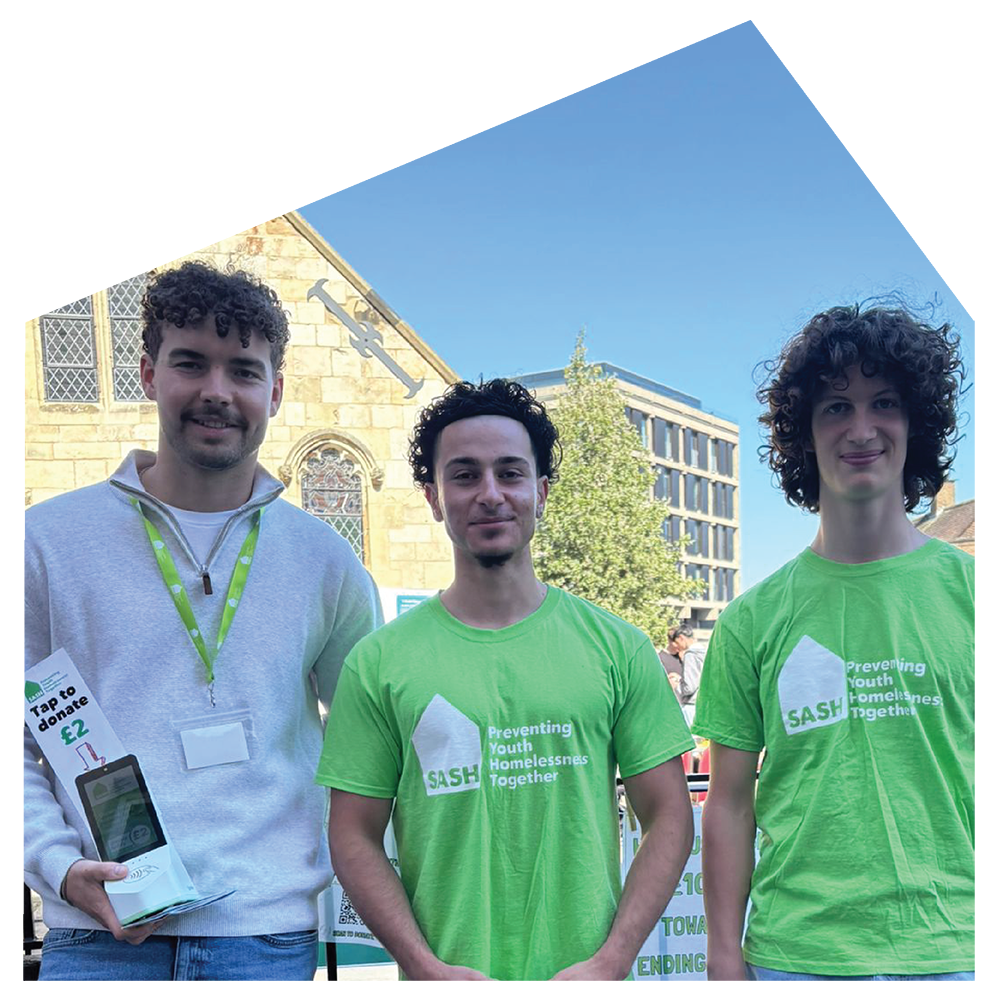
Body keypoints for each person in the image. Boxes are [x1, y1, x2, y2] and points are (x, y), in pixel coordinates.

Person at [24, 262, 382, 985]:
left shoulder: (324, 559)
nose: (217, 390)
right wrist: (58, 867)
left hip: (267, 937)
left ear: (274, 391)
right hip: (99, 937)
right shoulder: (46, 543)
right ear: (149, 374)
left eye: (244, 371)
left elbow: (373, 743)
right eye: (191, 363)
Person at [316, 379, 695, 990]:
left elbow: (670, 816)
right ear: (434, 498)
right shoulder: (379, 663)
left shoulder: (617, 648)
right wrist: (424, 967)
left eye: (510, 473)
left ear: (540, 492)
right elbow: (353, 834)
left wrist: (613, 961)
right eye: (464, 475)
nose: (490, 494)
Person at [694, 303, 973, 991]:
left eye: (885, 403)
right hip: (795, 958)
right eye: (836, 407)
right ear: (804, 434)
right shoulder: (752, 620)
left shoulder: (980, 596)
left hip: (958, 952)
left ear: (916, 423)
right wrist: (723, 958)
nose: (862, 428)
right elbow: (728, 804)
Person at [666, 623, 706, 728]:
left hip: (690, 705)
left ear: (681, 638)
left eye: (676, 642)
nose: (676, 646)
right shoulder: (704, 652)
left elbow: (689, 688)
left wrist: (676, 684)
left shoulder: (691, 655)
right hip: (702, 704)